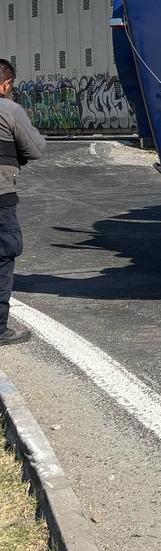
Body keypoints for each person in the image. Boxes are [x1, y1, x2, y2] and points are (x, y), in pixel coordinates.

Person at [0, 58, 46, 345]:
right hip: (1, 198)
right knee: (3, 256)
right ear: (5, 84)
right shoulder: (9, 109)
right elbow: (36, 149)